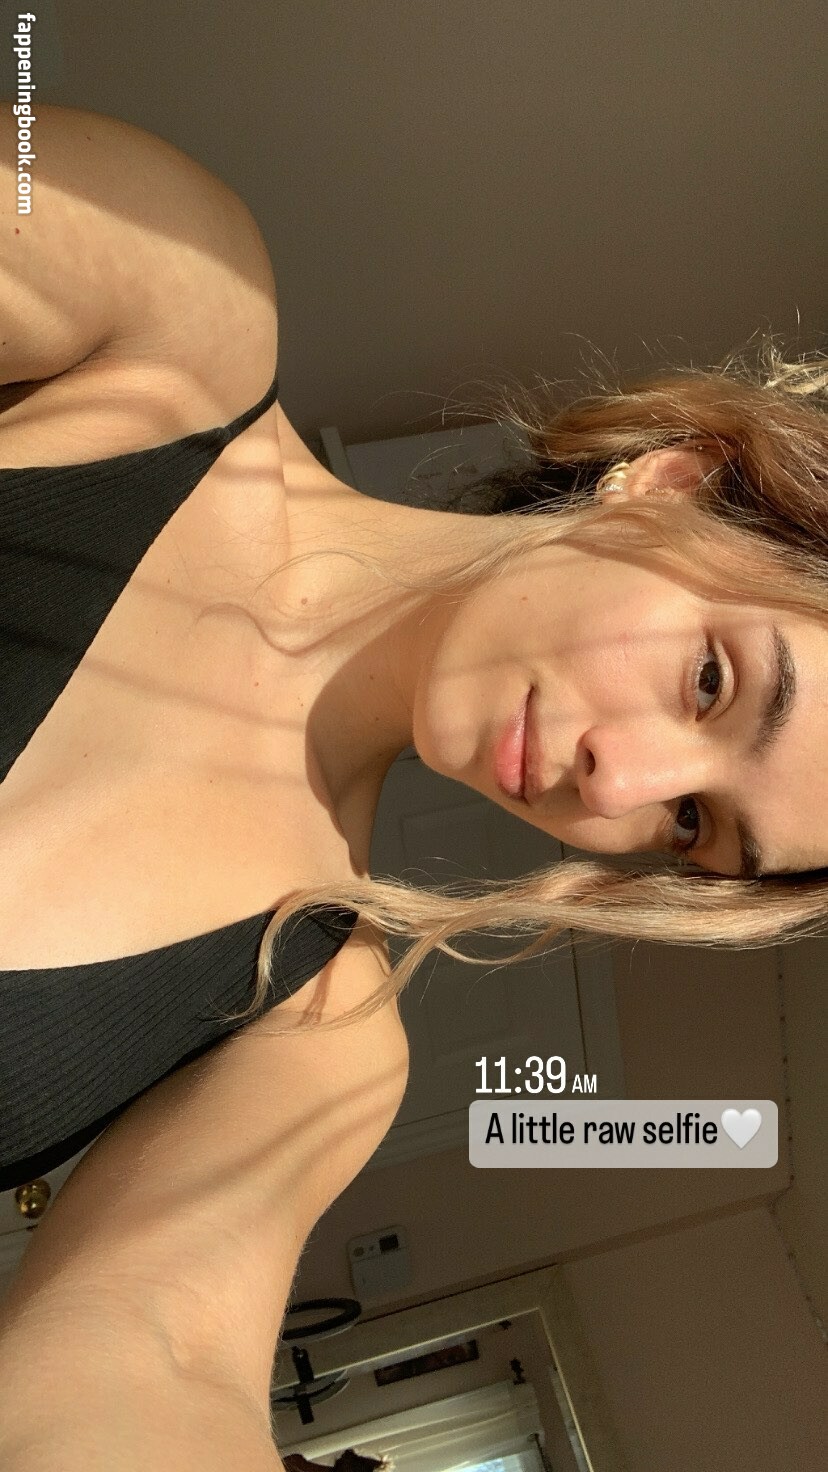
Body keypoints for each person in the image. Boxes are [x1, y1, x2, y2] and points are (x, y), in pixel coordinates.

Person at [0, 103, 825, 1468]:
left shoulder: (315, 1025)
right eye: (710, 682)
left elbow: (151, 1358)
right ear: (672, 482)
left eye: (695, 827)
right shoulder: (176, 320)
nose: (620, 782)